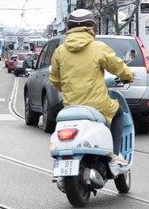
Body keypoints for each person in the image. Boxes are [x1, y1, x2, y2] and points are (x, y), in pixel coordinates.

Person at [49, 9, 136, 165]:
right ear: (90, 27)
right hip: (97, 105)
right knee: (118, 114)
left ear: (69, 28)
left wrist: (69, 89)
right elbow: (117, 66)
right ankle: (115, 154)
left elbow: (54, 80)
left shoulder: (60, 51)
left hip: (71, 105)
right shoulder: (98, 47)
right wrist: (129, 76)